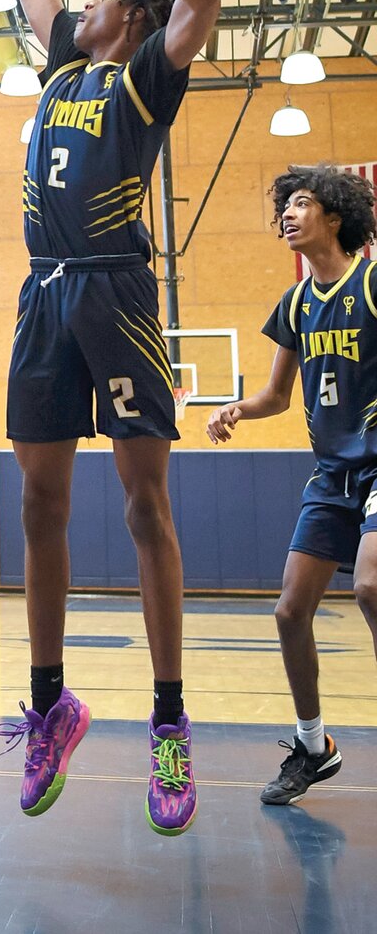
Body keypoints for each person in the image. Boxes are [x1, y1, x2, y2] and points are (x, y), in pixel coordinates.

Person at [0, 0, 220, 837]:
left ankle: (169, 722)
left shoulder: (146, 76)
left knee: (144, 510)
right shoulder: (56, 64)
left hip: (117, 295)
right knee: (39, 504)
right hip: (43, 293)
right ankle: (52, 704)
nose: (74, 3)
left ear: (124, 17)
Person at [207, 166, 377, 806]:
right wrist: (237, 410)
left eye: (301, 203)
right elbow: (279, 396)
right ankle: (314, 746)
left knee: (370, 585)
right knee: (288, 612)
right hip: (333, 471)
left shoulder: (372, 283)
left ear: (335, 216)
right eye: (285, 206)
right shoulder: (298, 302)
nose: (287, 214)